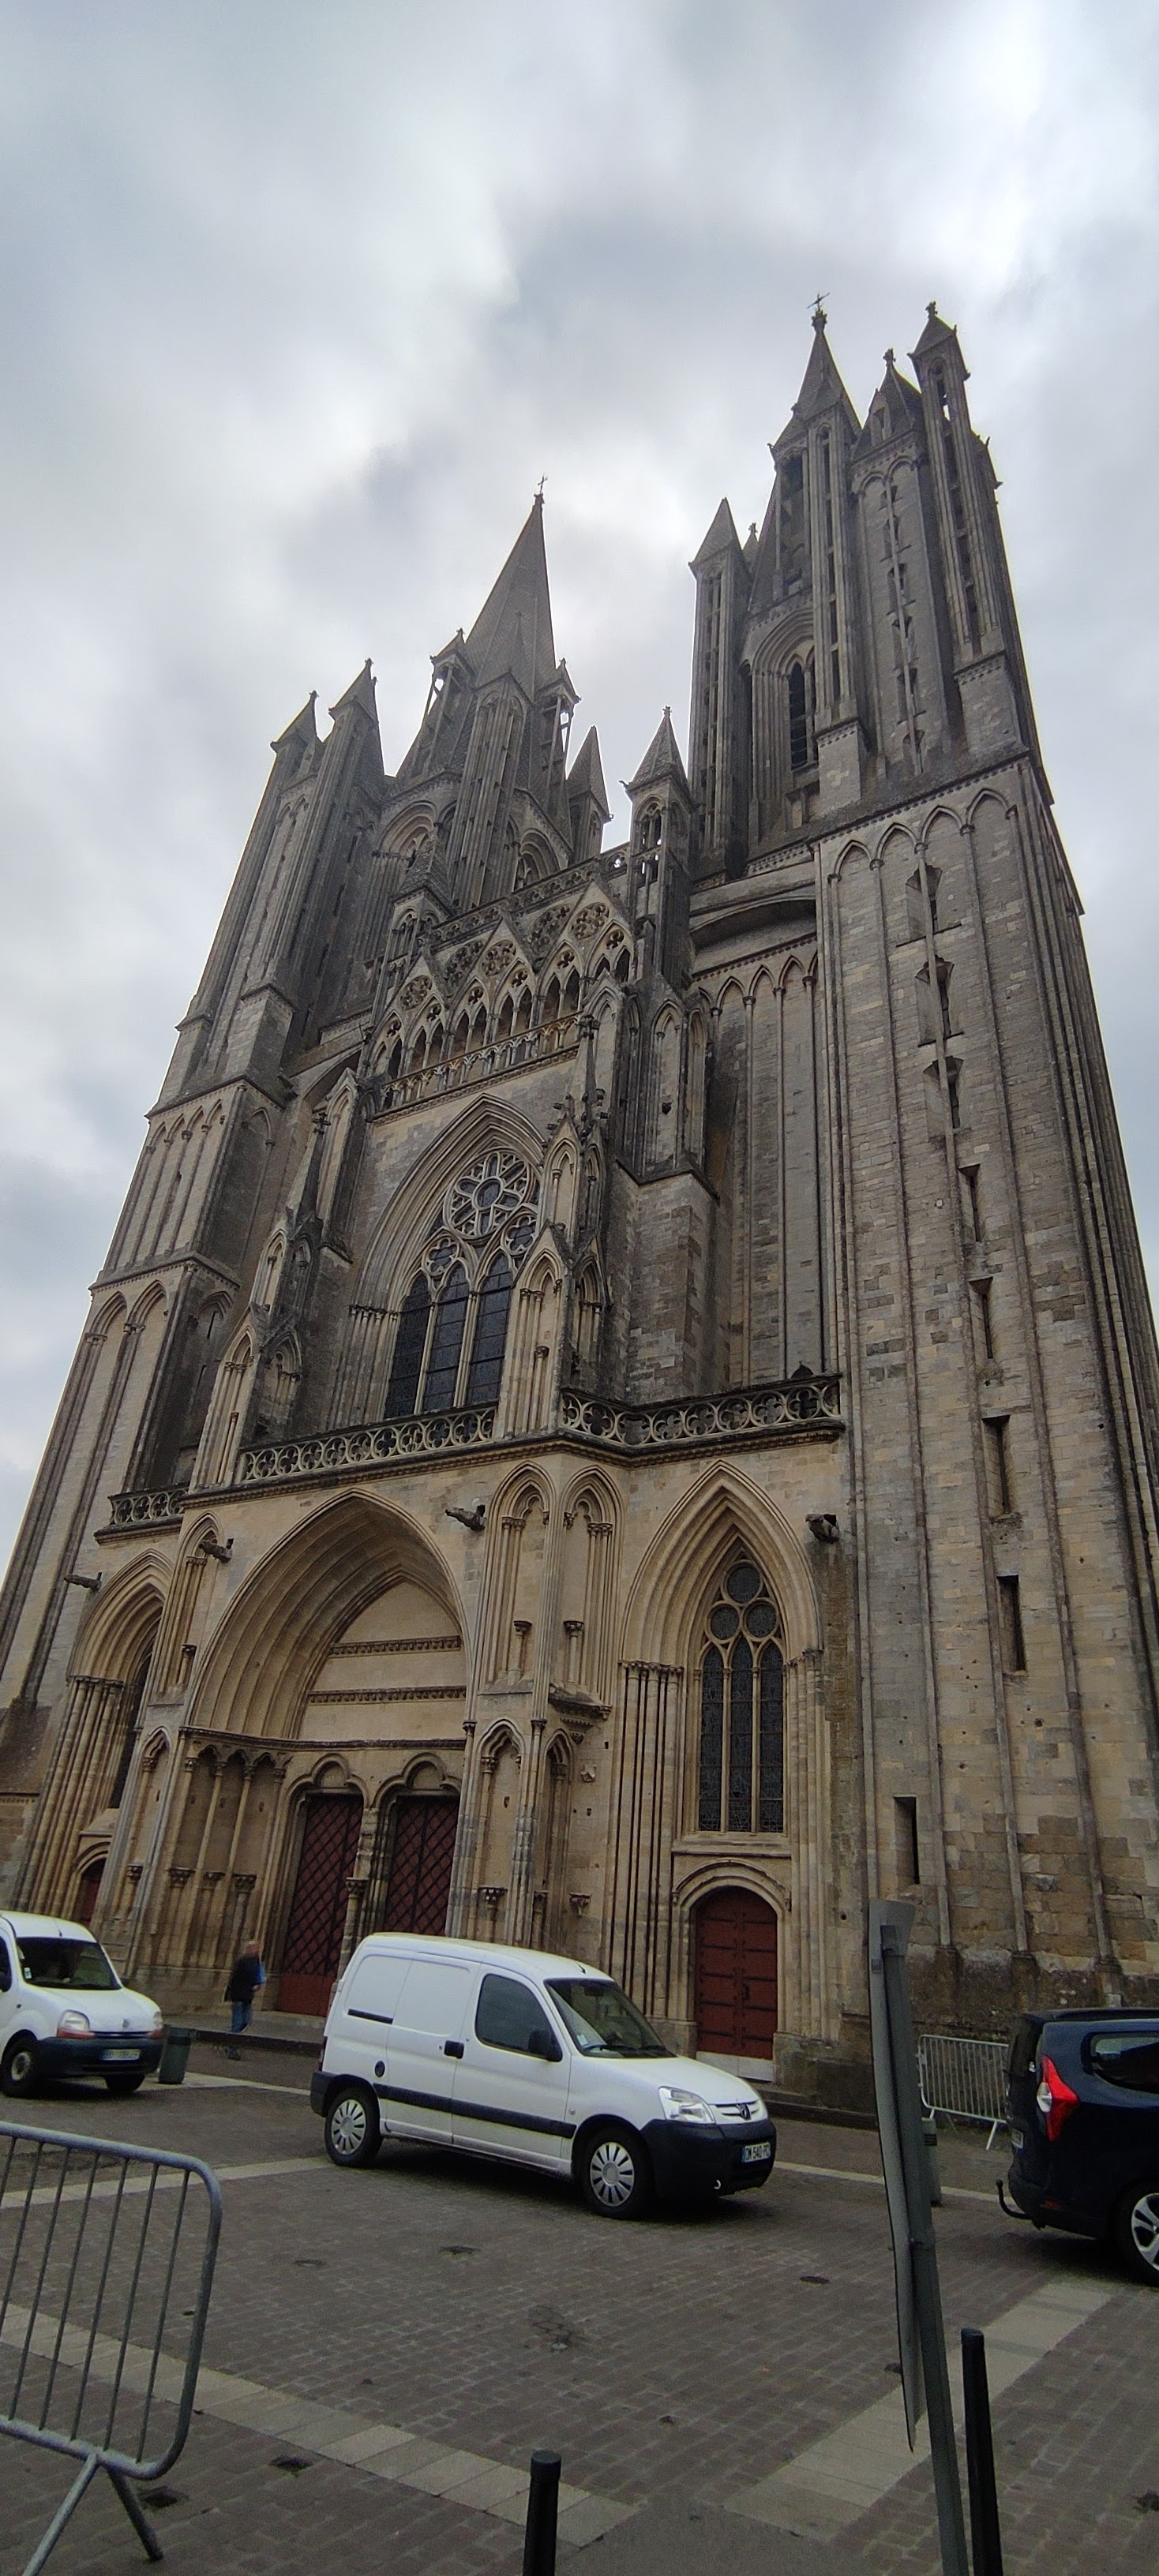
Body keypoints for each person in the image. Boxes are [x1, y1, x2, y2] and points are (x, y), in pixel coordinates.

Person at [224, 1940, 265, 2058]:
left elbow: (257, 1976)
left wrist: (258, 1984)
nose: (256, 1951)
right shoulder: (241, 1961)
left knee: (246, 2021)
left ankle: (230, 2039)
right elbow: (233, 1979)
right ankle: (232, 2049)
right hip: (238, 1995)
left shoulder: (256, 1961)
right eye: (254, 1948)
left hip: (247, 1996)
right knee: (237, 2023)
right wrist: (229, 1995)